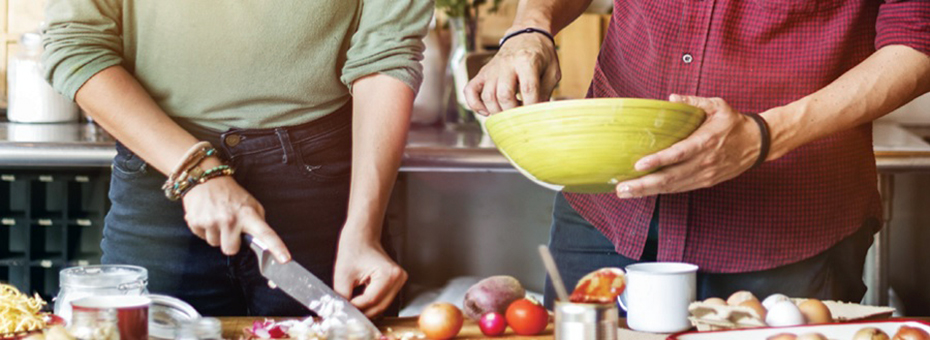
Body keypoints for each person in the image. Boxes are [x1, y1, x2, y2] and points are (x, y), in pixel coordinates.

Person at [466, 0, 930, 307]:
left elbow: (918, 39)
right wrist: (531, 26)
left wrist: (765, 135)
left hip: (788, 221)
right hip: (606, 206)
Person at [42, 1, 433, 317]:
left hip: (322, 186)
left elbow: (388, 51)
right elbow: (77, 43)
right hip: (160, 173)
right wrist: (195, 169)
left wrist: (363, 227)